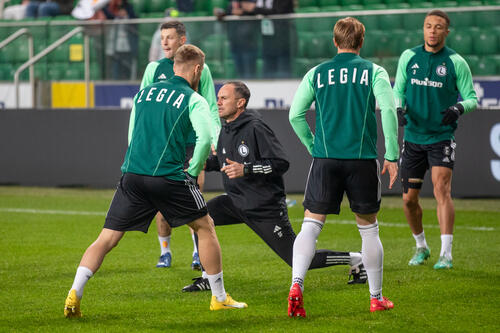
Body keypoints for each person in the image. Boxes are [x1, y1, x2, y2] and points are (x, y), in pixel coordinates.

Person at [63, 45, 247, 318]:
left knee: (107, 238)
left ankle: (74, 293)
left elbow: (132, 133)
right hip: (168, 177)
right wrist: (193, 170)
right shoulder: (193, 99)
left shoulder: (143, 94)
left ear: (174, 66)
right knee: (205, 226)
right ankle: (219, 297)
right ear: (197, 69)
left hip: (132, 175)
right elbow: (205, 139)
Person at [181, 81, 367, 293]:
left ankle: (356, 259)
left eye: (224, 98)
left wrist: (247, 169)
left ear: (240, 103)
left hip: (264, 207)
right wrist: (208, 163)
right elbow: (226, 163)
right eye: (218, 98)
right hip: (235, 201)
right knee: (199, 219)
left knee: (298, 258)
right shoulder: (227, 130)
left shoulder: (256, 128)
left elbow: (281, 163)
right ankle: (208, 278)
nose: (218, 102)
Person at [287, 17, 399, 317]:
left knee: (311, 225)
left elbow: (295, 115)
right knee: (369, 229)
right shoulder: (374, 71)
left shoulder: (316, 73)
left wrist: (315, 147)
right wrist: (392, 155)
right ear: (362, 42)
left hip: (325, 159)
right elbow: (388, 110)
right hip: (361, 159)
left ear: (334, 42)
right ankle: (375, 297)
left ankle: (296, 284)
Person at [393, 10, 477, 270]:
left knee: (442, 190)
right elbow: (398, 89)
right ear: (423, 29)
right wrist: (398, 108)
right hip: (413, 138)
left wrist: (458, 108)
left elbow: (472, 97)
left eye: (438, 27)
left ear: (446, 32)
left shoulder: (456, 62)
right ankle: (421, 247)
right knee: (408, 199)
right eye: (428, 26)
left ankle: (446, 254)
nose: (432, 31)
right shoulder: (409, 57)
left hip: (441, 138)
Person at [139, 20, 220, 270]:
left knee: (194, 199)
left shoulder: (200, 69)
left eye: (170, 37)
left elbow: (209, 106)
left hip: (191, 144)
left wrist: (215, 140)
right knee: (161, 204)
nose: (164, 42)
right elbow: (143, 110)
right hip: (164, 147)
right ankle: (165, 252)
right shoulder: (154, 69)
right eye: (162, 37)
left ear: (182, 40)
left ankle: (197, 252)